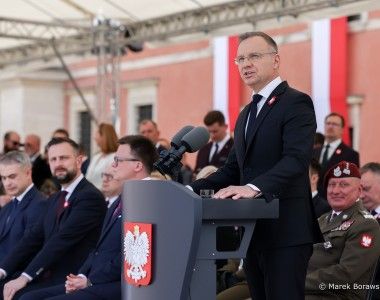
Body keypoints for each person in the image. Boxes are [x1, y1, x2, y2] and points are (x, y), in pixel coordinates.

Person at [191, 31, 321, 300]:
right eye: (240, 59)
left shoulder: (296, 102)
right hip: (252, 231)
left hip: (286, 231)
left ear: (276, 60)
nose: (246, 64)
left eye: (254, 56)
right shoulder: (245, 114)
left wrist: (253, 187)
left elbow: (296, 159)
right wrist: (186, 190)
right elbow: (231, 171)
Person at [20, 135, 157, 300]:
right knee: (28, 297)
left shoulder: (148, 200)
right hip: (95, 280)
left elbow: (132, 258)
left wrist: (91, 280)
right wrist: (83, 276)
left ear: (137, 165)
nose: (113, 165)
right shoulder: (121, 199)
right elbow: (98, 249)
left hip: (119, 286)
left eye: (118, 160)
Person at [0, 137, 106, 300]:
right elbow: (32, 239)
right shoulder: (55, 199)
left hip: (72, 278)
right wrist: (3, 270)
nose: (58, 164)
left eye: (63, 158)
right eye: (53, 159)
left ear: (79, 161)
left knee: (23, 297)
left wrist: (24, 277)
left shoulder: (89, 197)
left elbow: (61, 240)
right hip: (48, 275)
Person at [305, 161, 380, 299]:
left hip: (333, 294)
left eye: (344, 185)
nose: (336, 191)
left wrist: (299, 282)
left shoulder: (366, 224)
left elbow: (346, 274)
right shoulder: (322, 220)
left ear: (359, 190)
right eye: (332, 185)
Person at [0, 151, 46, 259]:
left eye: (12, 176)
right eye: (4, 178)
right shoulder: (7, 208)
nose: (7, 183)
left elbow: (29, 250)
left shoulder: (40, 204)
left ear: (28, 173)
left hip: (17, 274)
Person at [313, 112, 360, 193]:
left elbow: (351, 182)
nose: (330, 126)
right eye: (328, 123)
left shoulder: (351, 154)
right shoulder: (313, 152)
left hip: (335, 199)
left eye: (334, 124)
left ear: (342, 129)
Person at [85, 123, 118, 190]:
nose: (94, 137)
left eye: (97, 133)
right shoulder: (96, 156)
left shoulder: (114, 157)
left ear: (104, 136)